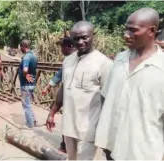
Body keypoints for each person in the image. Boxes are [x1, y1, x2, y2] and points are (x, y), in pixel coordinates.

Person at [95, 8, 164, 160]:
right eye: (126, 29)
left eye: (133, 30)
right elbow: (107, 99)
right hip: (112, 148)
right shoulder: (120, 59)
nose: (126, 35)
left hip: (144, 153)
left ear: (152, 31)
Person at [47, 21, 113, 160]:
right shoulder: (68, 61)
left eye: (84, 37)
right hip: (69, 127)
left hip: (90, 131)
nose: (80, 42)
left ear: (93, 35)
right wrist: (52, 112)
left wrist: (106, 133)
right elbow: (64, 88)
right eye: (76, 39)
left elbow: (109, 100)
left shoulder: (104, 64)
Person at [43, 36, 77, 153]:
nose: (60, 49)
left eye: (61, 47)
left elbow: (62, 82)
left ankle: (66, 146)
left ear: (68, 47)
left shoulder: (74, 60)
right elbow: (60, 75)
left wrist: (52, 112)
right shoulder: (67, 60)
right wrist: (49, 86)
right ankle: (65, 145)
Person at [18, 39, 38, 128]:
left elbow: (25, 70)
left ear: (23, 46)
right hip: (32, 84)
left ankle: (30, 124)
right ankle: (33, 120)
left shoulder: (26, 57)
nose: (20, 49)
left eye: (20, 47)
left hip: (25, 84)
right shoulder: (34, 56)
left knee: (26, 104)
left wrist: (26, 75)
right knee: (28, 103)